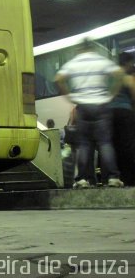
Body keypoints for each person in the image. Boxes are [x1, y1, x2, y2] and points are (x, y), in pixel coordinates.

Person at [54, 39, 124, 188]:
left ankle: (82, 179)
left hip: (83, 106)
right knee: (105, 142)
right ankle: (113, 178)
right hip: (101, 105)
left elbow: (58, 78)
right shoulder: (100, 60)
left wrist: (69, 96)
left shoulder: (75, 62)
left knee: (84, 144)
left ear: (80, 49)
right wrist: (111, 94)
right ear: (92, 48)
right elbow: (119, 74)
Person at [109, 52, 135, 186]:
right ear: (127, 63)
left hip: (110, 114)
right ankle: (130, 178)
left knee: (115, 146)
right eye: (131, 63)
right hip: (125, 113)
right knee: (128, 146)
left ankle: (119, 178)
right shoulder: (127, 77)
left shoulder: (111, 76)